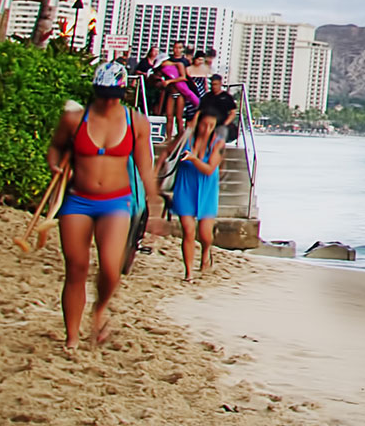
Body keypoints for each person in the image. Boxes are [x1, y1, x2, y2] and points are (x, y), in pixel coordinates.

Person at [48, 64, 164, 349]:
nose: (108, 100)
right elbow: (56, 148)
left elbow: (144, 167)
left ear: (123, 93)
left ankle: (98, 310)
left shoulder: (136, 122)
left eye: (114, 94)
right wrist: (55, 166)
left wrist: (155, 205)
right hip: (78, 200)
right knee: (76, 267)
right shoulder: (74, 119)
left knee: (111, 270)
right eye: (103, 94)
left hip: (116, 202)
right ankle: (72, 337)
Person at [169, 109, 226, 281]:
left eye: (211, 126)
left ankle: (206, 252)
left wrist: (193, 159)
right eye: (204, 124)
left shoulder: (218, 143)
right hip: (185, 186)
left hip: (207, 189)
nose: (207, 129)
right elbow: (168, 153)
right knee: (188, 230)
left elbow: (209, 170)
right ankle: (189, 272)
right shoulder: (187, 138)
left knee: (205, 235)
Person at [196, 74, 240, 142]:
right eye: (212, 84)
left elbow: (233, 113)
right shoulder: (207, 97)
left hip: (221, 123)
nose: (214, 87)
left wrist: (225, 124)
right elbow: (199, 111)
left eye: (215, 84)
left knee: (221, 132)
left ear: (220, 84)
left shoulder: (227, 97)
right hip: (207, 124)